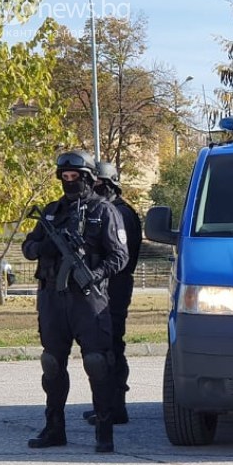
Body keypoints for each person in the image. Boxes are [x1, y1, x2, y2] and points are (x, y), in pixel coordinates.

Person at [22, 150, 128, 453]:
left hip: (88, 299)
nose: (70, 182)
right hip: (53, 299)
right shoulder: (52, 212)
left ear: (89, 179)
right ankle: (54, 428)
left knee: (97, 363)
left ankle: (104, 432)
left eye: (76, 177)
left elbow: (120, 256)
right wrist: (46, 247)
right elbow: (28, 247)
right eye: (65, 177)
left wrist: (95, 273)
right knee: (52, 363)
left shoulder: (105, 211)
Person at [82, 161, 143, 427]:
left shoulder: (120, 213)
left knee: (111, 345)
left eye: (94, 183)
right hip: (108, 285)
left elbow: (119, 256)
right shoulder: (111, 209)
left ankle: (115, 407)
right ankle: (108, 404)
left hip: (115, 286)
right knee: (106, 345)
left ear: (106, 184)